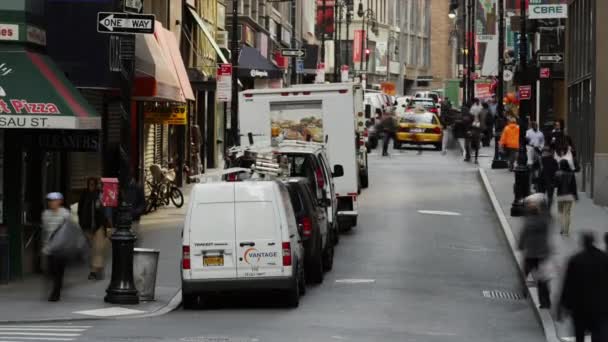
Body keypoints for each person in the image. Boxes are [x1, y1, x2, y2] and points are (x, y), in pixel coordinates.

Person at [559, 233, 608, 342]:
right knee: (599, 333)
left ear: (583, 243)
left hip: (580, 307)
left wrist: (563, 306)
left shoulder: (576, 259)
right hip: (600, 307)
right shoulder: (604, 258)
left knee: (579, 334)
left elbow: (568, 285)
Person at [518, 194, 552, 309]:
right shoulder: (544, 222)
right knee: (542, 278)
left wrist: (520, 246)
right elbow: (548, 216)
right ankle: (545, 302)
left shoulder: (528, 223)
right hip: (542, 254)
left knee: (524, 273)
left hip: (531, 254)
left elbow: (523, 236)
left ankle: (523, 290)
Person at [41, 192, 71, 302]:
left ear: (59, 201)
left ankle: (56, 293)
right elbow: (45, 231)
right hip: (50, 247)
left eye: (54, 200)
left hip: (61, 248)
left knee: (59, 271)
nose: (52, 203)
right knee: (51, 270)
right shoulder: (46, 214)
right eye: (50, 201)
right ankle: (55, 287)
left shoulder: (65, 214)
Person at [78, 178, 106, 280]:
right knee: (91, 250)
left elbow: (103, 209)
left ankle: (94, 271)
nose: (92, 187)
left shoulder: (100, 194)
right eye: (90, 184)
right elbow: (80, 210)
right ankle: (98, 268)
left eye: (93, 184)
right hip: (87, 226)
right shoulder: (84, 195)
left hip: (98, 226)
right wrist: (81, 223)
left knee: (97, 249)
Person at [555, 159, 578, 236]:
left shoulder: (558, 173)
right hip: (569, 195)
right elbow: (574, 186)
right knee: (567, 213)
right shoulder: (571, 174)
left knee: (560, 212)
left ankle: (562, 228)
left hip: (560, 195)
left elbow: (555, 185)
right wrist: (575, 196)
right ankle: (566, 231)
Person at [127, 178, 146, 245]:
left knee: (134, 239)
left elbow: (143, 203)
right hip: (125, 219)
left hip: (134, 218)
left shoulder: (138, 188)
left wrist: (137, 211)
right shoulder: (123, 188)